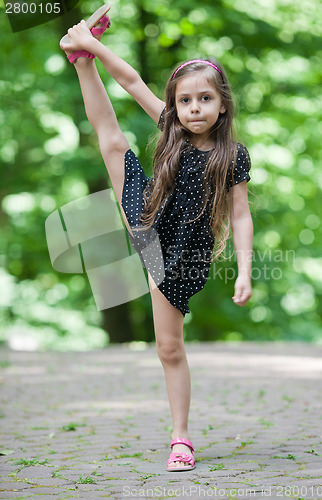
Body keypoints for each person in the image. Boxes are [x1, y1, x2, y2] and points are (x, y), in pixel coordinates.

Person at [60, 12, 253, 472]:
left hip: (185, 256)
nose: (194, 108)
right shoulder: (173, 130)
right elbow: (129, 80)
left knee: (169, 347)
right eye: (185, 100)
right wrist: (98, 47)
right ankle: (83, 60)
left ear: (222, 105)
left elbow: (241, 216)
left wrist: (245, 271)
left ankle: (180, 436)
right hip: (148, 223)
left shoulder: (233, 156)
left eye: (205, 98)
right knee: (112, 143)